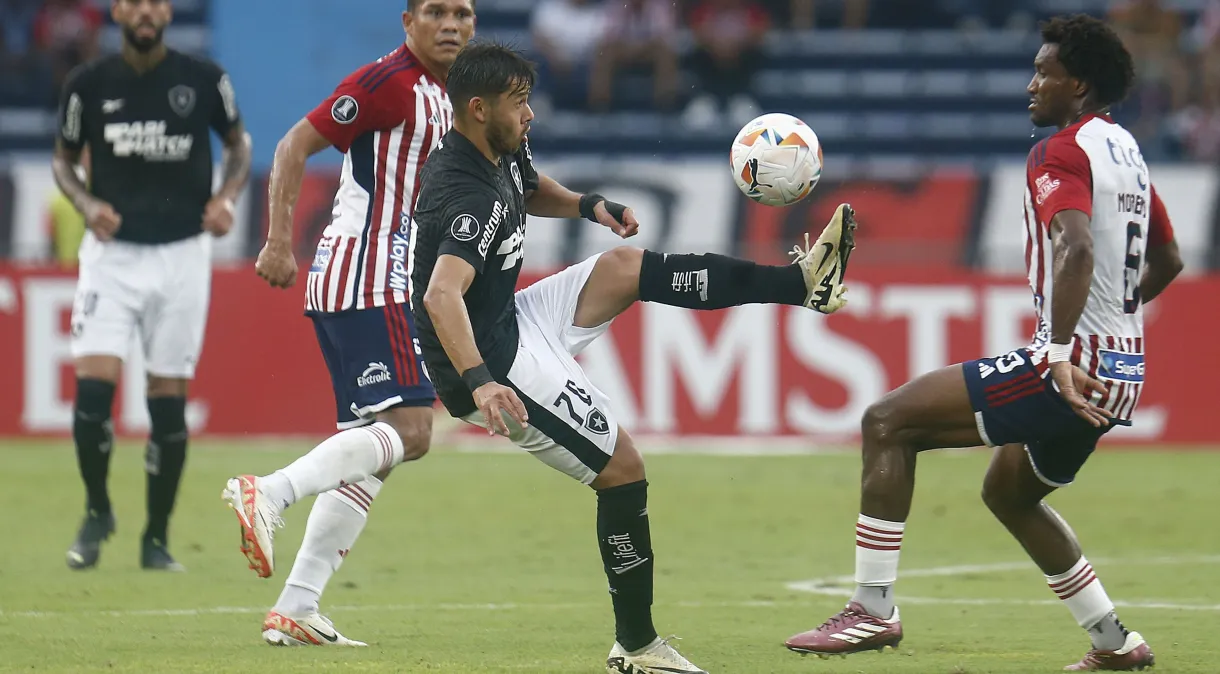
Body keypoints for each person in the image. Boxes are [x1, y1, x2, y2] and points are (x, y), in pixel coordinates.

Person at [411, 42, 856, 674]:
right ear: (479, 109)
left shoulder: (497, 151)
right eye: (520, 102)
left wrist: (589, 204)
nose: (530, 114)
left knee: (624, 268)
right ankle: (639, 648)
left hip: (509, 320)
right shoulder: (463, 194)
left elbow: (529, 189)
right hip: (488, 360)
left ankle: (801, 285)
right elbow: (440, 294)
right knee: (622, 469)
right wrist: (480, 385)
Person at [783, 15, 1183, 672]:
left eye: (1042, 72)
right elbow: (1167, 257)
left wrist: (1057, 354)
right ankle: (1116, 643)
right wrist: (1115, 324)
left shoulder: (1062, 153)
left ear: (1076, 84)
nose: (1031, 85)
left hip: (1073, 367)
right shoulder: (1127, 154)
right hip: (1120, 369)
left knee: (888, 422)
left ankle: (871, 610)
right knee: (1010, 493)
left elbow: (1076, 246)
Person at [221, 0, 475, 647]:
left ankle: (298, 606)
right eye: (438, 12)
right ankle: (269, 492)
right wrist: (278, 241)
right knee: (414, 430)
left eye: (465, 13)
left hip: (381, 279)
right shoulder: (387, 83)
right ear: (407, 20)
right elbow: (293, 145)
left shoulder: (447, 94)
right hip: (367, 275)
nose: (453, 24)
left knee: (372, 454)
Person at [52, 0, 251, 572]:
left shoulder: (205, 79)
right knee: (93, 393)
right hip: (112, 258)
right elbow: (63, 160)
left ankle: (156, 540)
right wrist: (87, 204)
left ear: (167, 13)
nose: (146, 12)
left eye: (156, 3)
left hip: (182, 255)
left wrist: (225, 197)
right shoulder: (87, 84)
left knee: (167, 402)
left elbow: (238, 144)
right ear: (117, 12)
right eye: (135, 2)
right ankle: (97, 511)